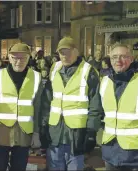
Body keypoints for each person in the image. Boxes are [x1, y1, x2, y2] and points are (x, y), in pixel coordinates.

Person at [41, 37, 102, 170]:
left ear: (76, 51)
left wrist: (91, 132)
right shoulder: (54, 69)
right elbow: (47, 101)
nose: (64, 55)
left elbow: (95, 105)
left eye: (67, 51)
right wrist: (43, 125)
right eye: (61, 52)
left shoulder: (89, 72)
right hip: (55, 134)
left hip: (76, 136)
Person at [0, 43, 43, 171]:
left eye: (23, 58)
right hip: (1, 132)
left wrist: (37, 132)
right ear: (9, 58)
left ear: (28, 58)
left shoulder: (36, 77)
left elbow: (39, 108)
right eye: (15, 57)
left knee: (19, 167)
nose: (18, 61)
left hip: (24, 133)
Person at [100, 43, 138, 171]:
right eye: (114, 57)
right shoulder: (104, 82)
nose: (118, 60)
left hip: (136, 154)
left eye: (123, 56)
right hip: (111, 151)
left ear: (131, 59)